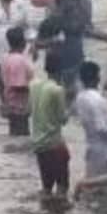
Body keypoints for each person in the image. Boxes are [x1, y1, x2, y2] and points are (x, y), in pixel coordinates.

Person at [29, 52, 71, 199]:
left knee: (46, 189)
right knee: (62, 189)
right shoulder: (57, 90)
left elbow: (30, 110)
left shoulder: (34, 86)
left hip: (39, 145)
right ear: (62, 69)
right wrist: (69, 109)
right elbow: (63, 119)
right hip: (54, 144)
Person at [71, 61, 107, 196]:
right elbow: (102, 128)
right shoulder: (97, 100)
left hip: (91, 145)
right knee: (99, 188)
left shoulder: (80, 97)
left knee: (92, 185)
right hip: (103, 150)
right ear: (96, 78)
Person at [0, 27, 33, 136]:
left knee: (15, 135)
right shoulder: (19, 60)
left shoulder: (6, 58)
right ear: (22, 42)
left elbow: (3, 82)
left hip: (10, 103)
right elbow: (18, 85)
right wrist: (36, 88)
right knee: (22, 137)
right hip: (19, 106)